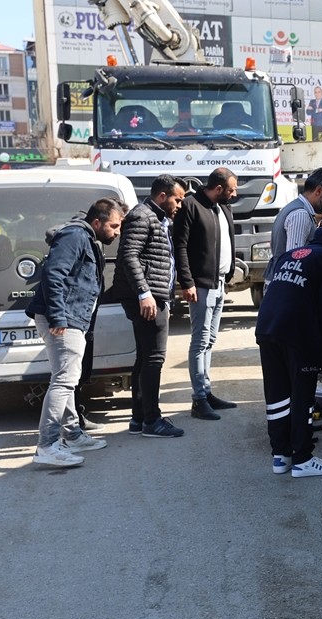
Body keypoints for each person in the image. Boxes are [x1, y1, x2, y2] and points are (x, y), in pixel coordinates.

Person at [25, 197, 127, 466]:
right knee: (64, 381)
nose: (117, 232)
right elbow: (53, 274)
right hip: (64, 318)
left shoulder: (86, 237)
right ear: (98, 222)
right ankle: (47, 446)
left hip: (72, 317)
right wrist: (58, 316)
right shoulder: (75, 236)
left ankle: (72, 434)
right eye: (114, 226)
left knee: (67, 378)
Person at [256, 224, 322, 477]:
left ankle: (281, 456)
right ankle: (302, 459)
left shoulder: (292, 255)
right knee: (303, 396)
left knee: (277, 394)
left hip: (267, 328)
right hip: (298, 333)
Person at [111, 174, 187, 438]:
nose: (180, 205)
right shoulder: (142, 216)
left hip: (153, 296)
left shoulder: (157, 217)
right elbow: (128, 255)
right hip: (146, 299)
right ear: (162, 196)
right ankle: (152, 420)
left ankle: (139, 418)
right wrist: (144, 293)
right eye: (178, 199)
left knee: (145, 357)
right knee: (153, 358)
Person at [173, 167, 240, 421]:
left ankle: (207, 391)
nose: (234, 195)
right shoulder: (191, 206)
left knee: (210, 340)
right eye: (232, 190)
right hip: (200, 285)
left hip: (219, 283)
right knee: (200, 341)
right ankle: (199, 399)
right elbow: (180, 246)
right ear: (219, 188)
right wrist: (187, 282)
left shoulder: (222, 207)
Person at [266, 168, 322, 284]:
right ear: (318, 191)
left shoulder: (296, 209)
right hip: (287, 286)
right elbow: (295, 261)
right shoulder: (301, 214)